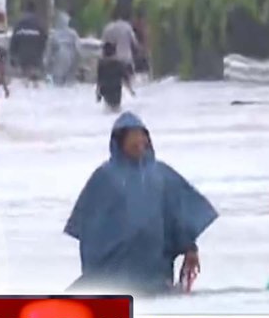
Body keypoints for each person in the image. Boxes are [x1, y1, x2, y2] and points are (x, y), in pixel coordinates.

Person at [65, 112, 218, 295]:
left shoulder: (161, 174)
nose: (139, 141)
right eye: (133, 136)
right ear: (120, 141)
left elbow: (178, 214)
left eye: (142, 135)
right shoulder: (105, 176)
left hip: (154, 270)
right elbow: (89, 224)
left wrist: (190, 248)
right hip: (115, 269)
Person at [9, 1, 47, 85]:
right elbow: (44, 41)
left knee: (24, 80)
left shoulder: (19, 25)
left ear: (25, 11)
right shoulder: (40, 25)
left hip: (23, 58)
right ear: (35, 11)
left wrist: (12, 58)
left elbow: (13, 42)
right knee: (36, 82)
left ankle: (27, 80)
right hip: (36, 59)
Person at [101, 7, 143, 78]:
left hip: (111, 61)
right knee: (131, 78)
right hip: (126, 60)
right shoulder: (127, 27)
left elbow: (103, 44)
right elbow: (135, 43)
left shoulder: (108, 28)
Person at [44, 10, 82, 86]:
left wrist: (46, 68)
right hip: (71, 62)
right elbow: (78, 50)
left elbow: (48, 54)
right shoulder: (73, 34)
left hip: (58, 63)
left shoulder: (54, 35)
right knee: (69, 85)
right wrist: (76, 66)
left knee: (56, 85)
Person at [95, 42, 134, 112]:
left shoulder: (102, 65)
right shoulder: (119, 64)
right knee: (116, 109)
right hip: (116, 90)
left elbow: (99, 80)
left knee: (108, 110)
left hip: (106, 90)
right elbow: (125, 78)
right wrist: (130, 90)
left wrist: (98, 94)